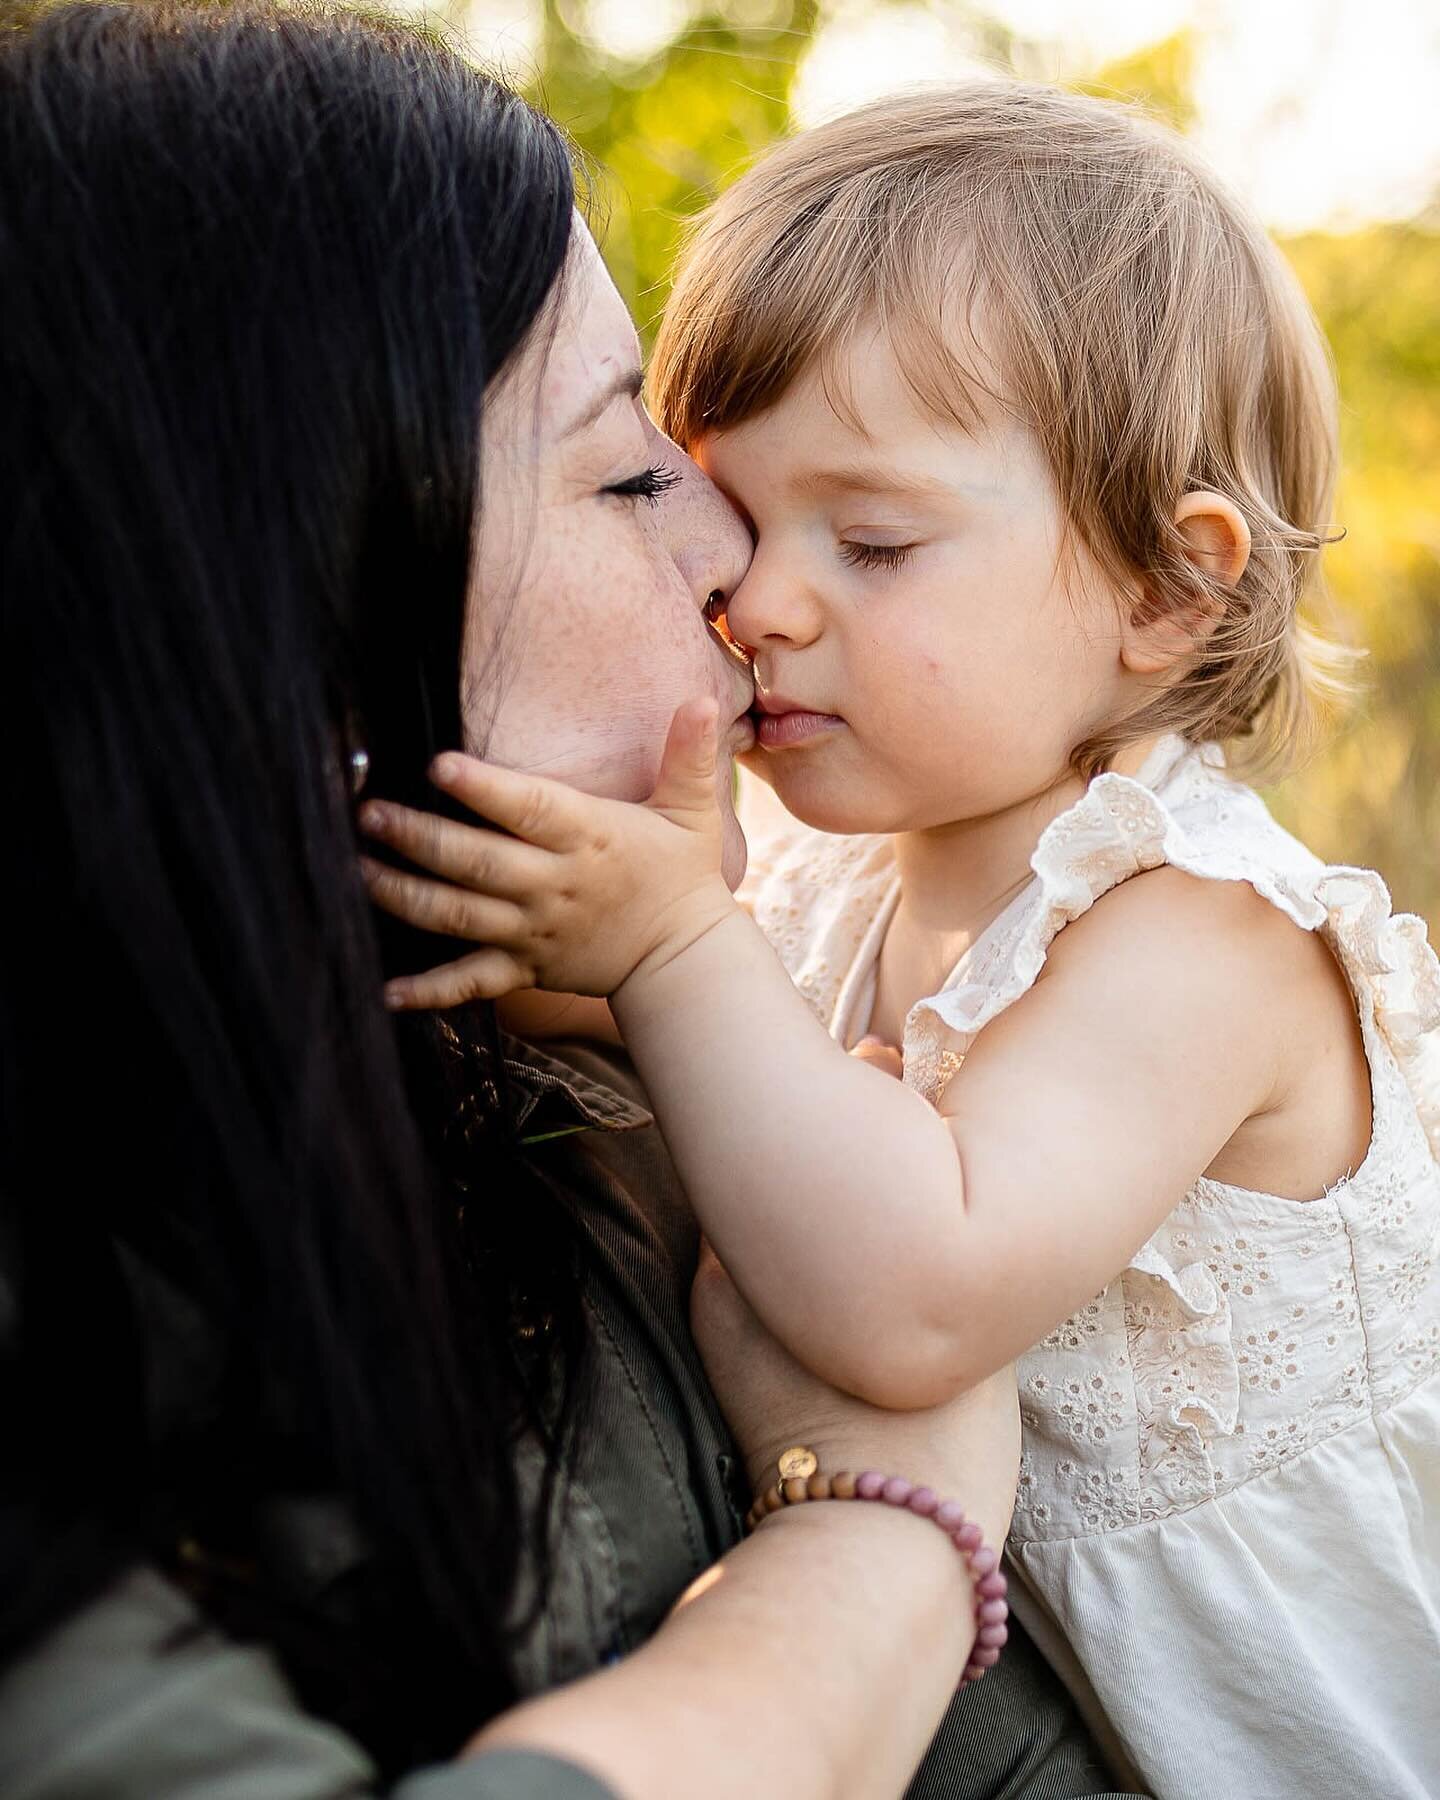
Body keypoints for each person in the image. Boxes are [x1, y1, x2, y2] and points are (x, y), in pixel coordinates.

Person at [0, 10, 1148, 1798]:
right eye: (633, 472)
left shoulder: (593, 1095)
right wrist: (873, 1535)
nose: (736, 577)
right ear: (276, 619)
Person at [364, 83, 1440, 1800]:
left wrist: (663, 947)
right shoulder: (849, 876)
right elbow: (713, 1058)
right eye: (727, 510)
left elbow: (911, 1304)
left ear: (1170, 592)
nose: (759, 599)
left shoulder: (1201, 933)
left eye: (871, 541)